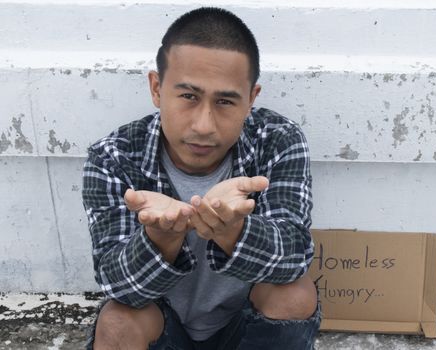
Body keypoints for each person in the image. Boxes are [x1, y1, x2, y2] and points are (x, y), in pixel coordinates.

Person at [82, 7, 320, 350]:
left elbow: (295, 257)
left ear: (251, 100)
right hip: (162, 328)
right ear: (156, 87)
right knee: (118, 321)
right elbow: (116, 286)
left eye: (225, 101)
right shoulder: (114, 157)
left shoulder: (277, 140)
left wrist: (235, 232)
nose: (203, 125)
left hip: (244, 328)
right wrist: (159, 240)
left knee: (295, 295)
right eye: (188, 97)